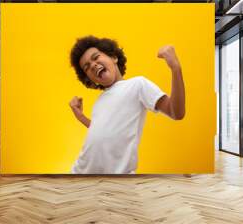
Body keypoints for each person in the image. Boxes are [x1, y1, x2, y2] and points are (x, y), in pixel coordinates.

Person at [69, 36, 185, 174]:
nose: (93, 65)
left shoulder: (137, 84)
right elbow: (101, 130)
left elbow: (176, 112)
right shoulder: (100, 100)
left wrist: (175, 67)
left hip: (117, 175)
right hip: (80, 171)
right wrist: (81, 117)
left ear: (113, 57)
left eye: (96, 57)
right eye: (87, 67)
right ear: (90, 79)